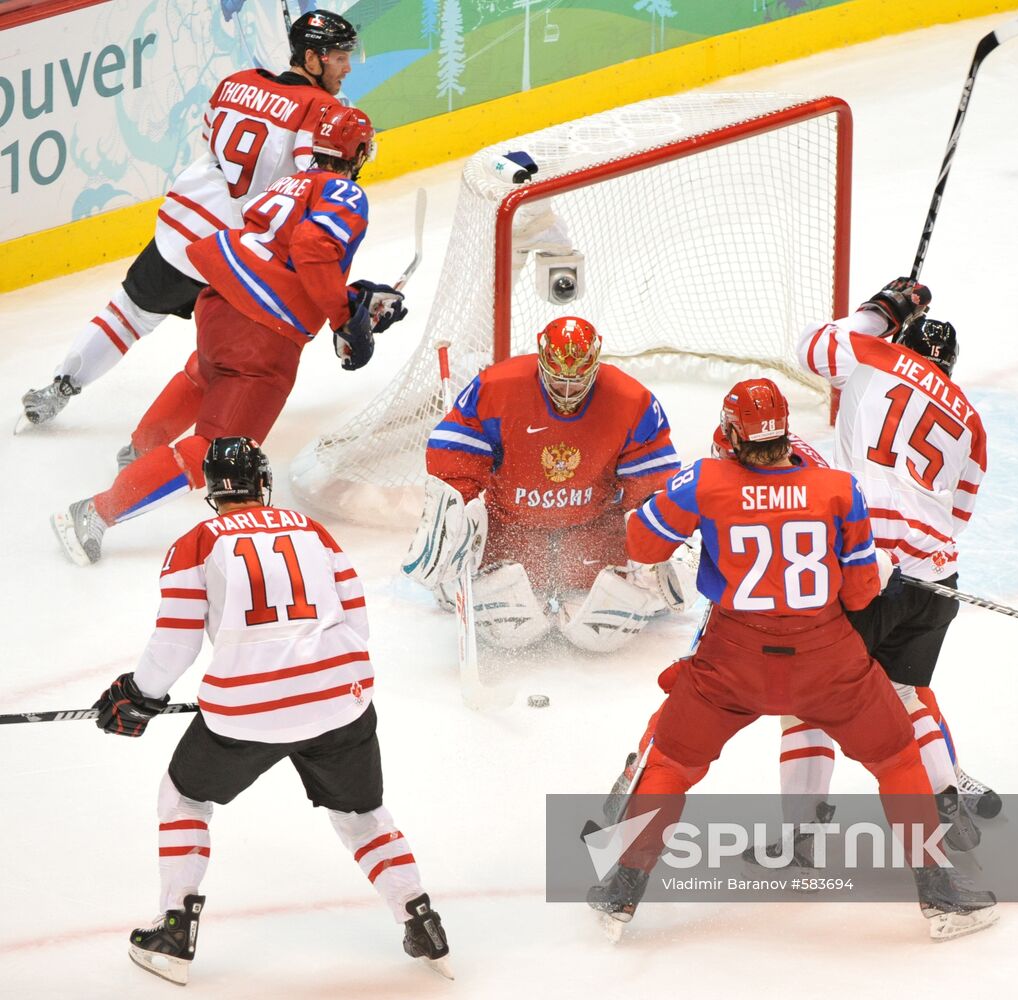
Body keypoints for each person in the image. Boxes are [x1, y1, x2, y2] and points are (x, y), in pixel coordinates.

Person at [585, 378, 998, 941]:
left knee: (672, 766)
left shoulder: (706, 480)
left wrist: (684, 512)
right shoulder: (837, 488)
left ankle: (621, 892)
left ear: (731, 433)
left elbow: (641, 544)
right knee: (898, 758)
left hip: (731, 661)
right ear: (785, 433)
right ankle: (940, 894)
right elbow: (857, 598)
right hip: (826, 662)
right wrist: (871, 568)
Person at [90, 438, 451, 985]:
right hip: (343, 701)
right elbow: (357, 622)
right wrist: (319, 678)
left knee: (183, 796)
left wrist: (139, 695)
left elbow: (175, 644)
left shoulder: (196, 542)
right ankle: (420, 919)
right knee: (361, 816)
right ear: (263, 483)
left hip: (246, 712)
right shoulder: (313, 531)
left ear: (211, 490)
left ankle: (173, 930)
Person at [51, 104, 404, 566]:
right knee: (219, 452)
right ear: (357, 153)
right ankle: (93, 512)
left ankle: (140, 452)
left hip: (220, 301)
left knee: (205, 378)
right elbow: (312, 249)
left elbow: (284, 255)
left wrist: (355, 296)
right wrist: (342, 316)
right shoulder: (346, 194)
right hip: (261, 334)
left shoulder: (289, 183)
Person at [20, 9, 358, 432]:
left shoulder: (236, 82)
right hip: (240, 251)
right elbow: (314, 182)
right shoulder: (322, 109)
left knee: (127, 315)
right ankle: (155, 444)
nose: (346, 67)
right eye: (339, 58)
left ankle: (60, 388)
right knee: (225, 354)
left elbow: (213, 141)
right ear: (312, 59)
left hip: (185, 229)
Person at [789, 277, 1000, 823]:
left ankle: (801, 834)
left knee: (808, 697)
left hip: (868, 566)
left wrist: (879, 311)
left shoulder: (874, 354)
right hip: (935, 575)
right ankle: (944, 790)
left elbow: (811, 346)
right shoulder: (972, 422)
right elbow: (956, 519)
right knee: (904, 690)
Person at [401, 315, 688, 652]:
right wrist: (458, 516)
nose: (567, 391)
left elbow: (651, 484)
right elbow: (456, 457)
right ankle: (459, 582)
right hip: (508, 524)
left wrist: (653, 544)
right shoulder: (497, 388)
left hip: (592, 528)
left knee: (609, 629)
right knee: (508, 630)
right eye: (558, 380)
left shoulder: (631, 401)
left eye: (578, 382)